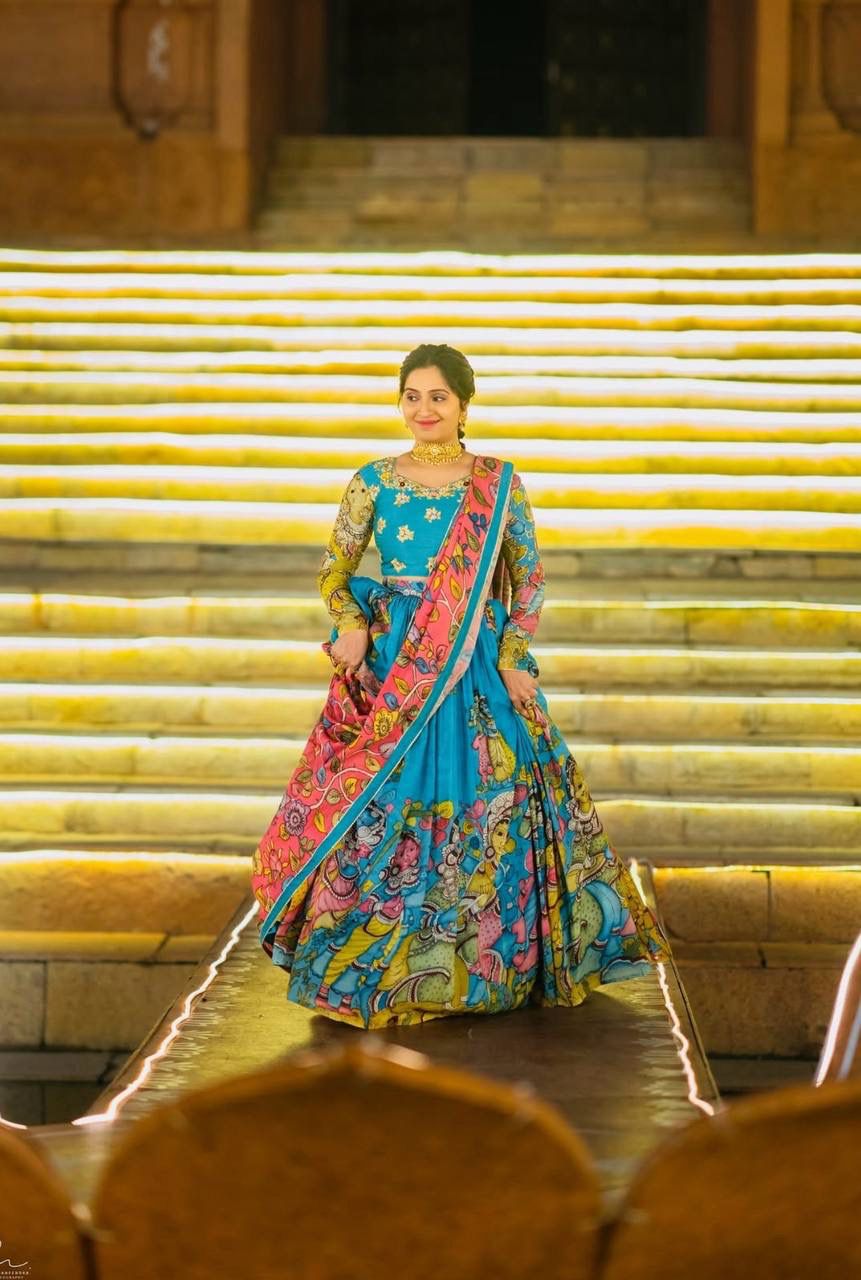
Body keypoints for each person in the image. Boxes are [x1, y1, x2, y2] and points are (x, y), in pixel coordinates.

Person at [251, 342, 671, 1029]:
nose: (424, 409)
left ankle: (490, 968)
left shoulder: (497, 483)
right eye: (412, 396)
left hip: (476, 662)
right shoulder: (372, 481)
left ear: (464, 405)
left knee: (494, 797)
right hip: (400, 666)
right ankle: (379, 970)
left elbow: (528, 577)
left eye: (438, 397)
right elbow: (335, 570)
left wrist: (514, 656)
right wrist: (350, 623)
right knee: (385, 802)